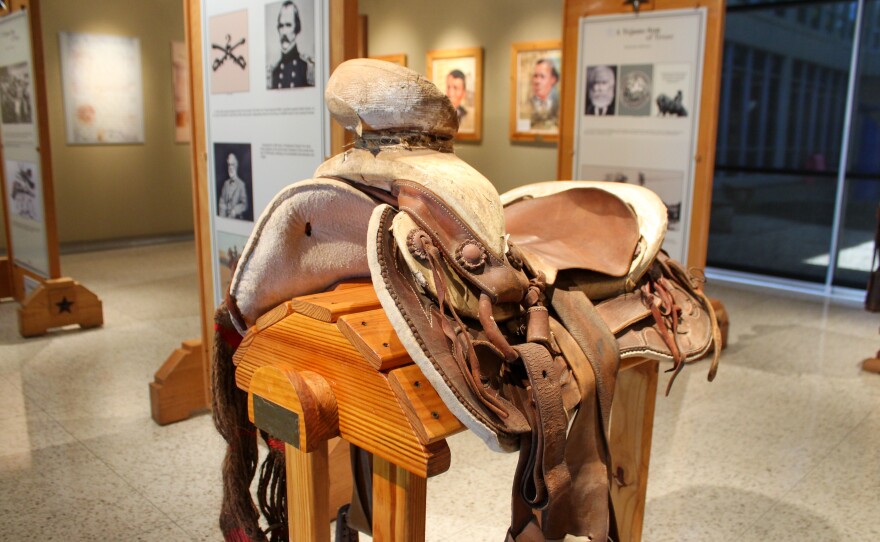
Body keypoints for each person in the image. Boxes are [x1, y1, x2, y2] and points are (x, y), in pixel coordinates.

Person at [269, 1, 314, 89]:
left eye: (288, 25)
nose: (284, 32)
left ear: (297, 28)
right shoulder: (274, 71)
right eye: (281, 26)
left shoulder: (307, 67)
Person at [525, 58, 559, 130]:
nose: (537, 81)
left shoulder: (560, 105)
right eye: (535, 76)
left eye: (542, 76)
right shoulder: (526, 105)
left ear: (553, 79)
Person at [218, 152, 249, 220]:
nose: (230, 167)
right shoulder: (225, 184)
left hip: (237, 219)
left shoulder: (241, 185)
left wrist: (235, 211)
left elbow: (244, 204)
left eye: (233, 164)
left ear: (236, 165)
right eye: (229, 164)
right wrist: (223, 217)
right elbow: (222, 202)